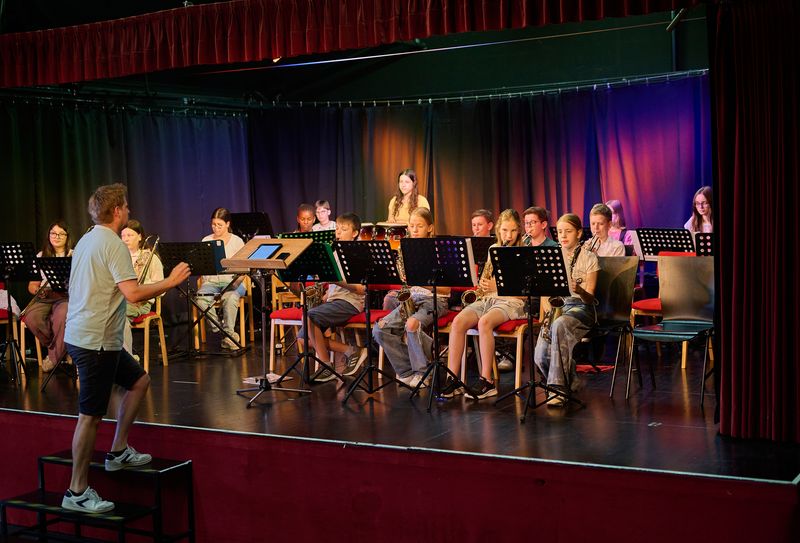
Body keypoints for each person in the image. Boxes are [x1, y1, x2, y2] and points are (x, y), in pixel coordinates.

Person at [62, 183, 190, 513]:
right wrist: (171, 282)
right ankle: (76, 491)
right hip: (94, 342)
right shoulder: (113, 244)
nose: (130, 211)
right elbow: (132, 294)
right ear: (117, 210)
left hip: (92, 337)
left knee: (139, 380)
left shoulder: (87, 239)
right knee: (90, 417)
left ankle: (118, 450)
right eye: (126, 207)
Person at [442, 209, 525, 400]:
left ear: (519, 231)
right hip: (488, 299)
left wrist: (498, 286)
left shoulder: (524, 251)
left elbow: (524, 293)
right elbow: (486, 281)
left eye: (513, 231)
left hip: (512, 301)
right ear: (498, 230)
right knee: (458, 322)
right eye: (505, 230)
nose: (508, 236)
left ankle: (487, 381)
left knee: (484, 323)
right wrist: (483, 286)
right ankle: (452, 379)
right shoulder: (493, 249)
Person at [373, 208, 449, 388]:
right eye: (411, 226)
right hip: (412, 298)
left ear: (430, 228)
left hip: (435, 300)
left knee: (412, 324)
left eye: (419, 226)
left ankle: (422, 372)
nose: (414, 230)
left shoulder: (439, 250)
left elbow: (446, 289)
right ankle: (407, 370)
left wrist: (420, 281)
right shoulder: (406, 249)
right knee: (379, 329)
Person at [534, 213, 599, 407]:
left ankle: (558, 390)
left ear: (578, 233)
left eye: (568, 231)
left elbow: (590, 298)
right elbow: (545, 294)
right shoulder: (552, 257)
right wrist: (549, 313)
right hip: (558, 308)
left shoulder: (589, 257)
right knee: (540, 356)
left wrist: (579, 290)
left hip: (581, 308)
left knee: (560, 325)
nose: (563, 235)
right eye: (560, 232)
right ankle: (570, 376)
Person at [298, 213, 368, 383]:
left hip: (350, 302)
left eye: (344, 229)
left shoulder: (358, 255)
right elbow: (335, 285)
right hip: (334, 301)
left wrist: (335, 280)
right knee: (302, 338)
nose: (338, 233)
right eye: (337, 229)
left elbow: (361, 290)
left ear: (355, 233)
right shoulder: (335, 252)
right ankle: (351, 350)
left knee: (309, 318)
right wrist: (325, 293)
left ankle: (326, 366)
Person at [21, 220, 73, 372]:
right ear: (48, 235)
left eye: (61, 234)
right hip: (46, 295)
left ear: (67, 237)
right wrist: (37, 290)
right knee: (31, 317)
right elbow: (32, 285)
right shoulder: (40, 255)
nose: (56, 236)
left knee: (62, 317)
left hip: (65, 296)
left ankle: (53, 357)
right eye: (53, 233)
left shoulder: (73, 255)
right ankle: (60, 350)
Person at [194, 208, 246, 349]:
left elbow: (244, 267)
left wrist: (237, 282)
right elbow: (202, 265)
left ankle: (228, 335)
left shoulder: (237, 241)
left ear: (227, 224)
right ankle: (224, 333)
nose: (216, 228)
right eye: (213, 224)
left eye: (219, 225)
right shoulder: (206, 240)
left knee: (230, 297)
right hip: (211, 282)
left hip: (232, 282)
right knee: (200, 300)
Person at [120, 220, 164, 318]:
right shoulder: (119, 258)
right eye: (123, 236)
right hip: (122, 301)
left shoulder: (150, 257)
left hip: (142, 304)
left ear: (139, 237)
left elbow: (161, 287)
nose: (125, 239)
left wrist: (143, 292)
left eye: (129, 235)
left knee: (118, 312)